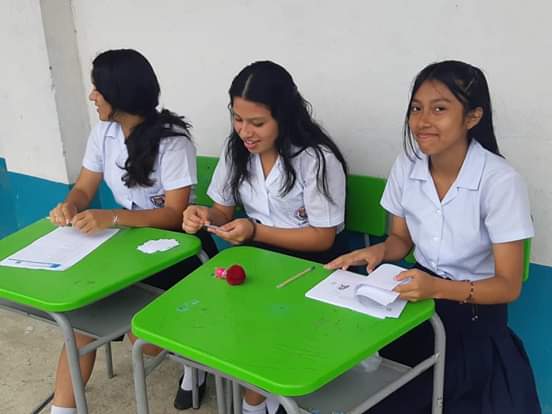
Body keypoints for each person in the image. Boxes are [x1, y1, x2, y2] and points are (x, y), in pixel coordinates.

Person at [326, 60, 541, 413]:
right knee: (368, 392)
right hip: (417, 308)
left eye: (439, 109)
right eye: (416, 108)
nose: (422, 121)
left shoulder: (500, 181)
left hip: (473, 322)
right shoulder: (407, 165)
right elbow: (401, 240)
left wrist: (437, 288)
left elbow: (508, 285)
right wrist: (377, 252)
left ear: (472, 117)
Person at [47, 49, 209, 414]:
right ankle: (62, 411)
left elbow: (174, 214)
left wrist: (114, 218)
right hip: (126, 245)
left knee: (144, 341)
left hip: (176, 251)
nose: (92, 96)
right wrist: (71, 205)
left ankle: (191, 367)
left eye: (97, 89)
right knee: (80, 323)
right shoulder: (104, 133)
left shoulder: (173, 141)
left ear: (119, 93)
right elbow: (85, 187)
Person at [182, 60, 348, 414]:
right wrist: (201, 215)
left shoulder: (316, 159)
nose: (245, 132)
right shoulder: (236, 150)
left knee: (269, 343)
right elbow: (222, 211)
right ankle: (251, 397)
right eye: (237, 119)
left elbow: (323, 239)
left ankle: (257, 402)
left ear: (284, 117)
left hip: (311, 266)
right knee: (218, 322)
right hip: (257, 260)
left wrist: (256, 230)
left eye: (257, 123)